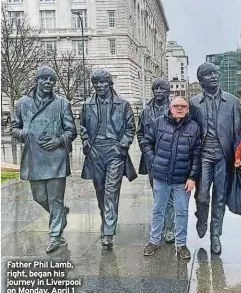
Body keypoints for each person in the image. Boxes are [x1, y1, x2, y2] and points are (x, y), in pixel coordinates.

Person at [11, 66, 77, 253]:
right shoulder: (22, 103)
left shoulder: (62, 103)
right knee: (39, 196)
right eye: (44, 79)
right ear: (37, 80)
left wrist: (59, 140)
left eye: (52, 80)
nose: (48, 82)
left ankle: (55, 235)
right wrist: (24, 134)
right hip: (34, 156)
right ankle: (61, 214)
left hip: (56, 157)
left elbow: (71, 131)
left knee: (55, 198)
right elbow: (14, 127)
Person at [80, 69, 137, 249]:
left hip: (115, 152)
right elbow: (82, 127)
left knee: (111, 190)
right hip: (95, 152)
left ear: (110, 83)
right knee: (100, 191)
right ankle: (106, 221)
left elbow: (130, 128)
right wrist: (87, 144)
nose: (99, 86)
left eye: (103, 82)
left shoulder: (123, 104)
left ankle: (108, 231)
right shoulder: (87, 105)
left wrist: (122, 146)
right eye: (96, 83)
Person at [189, 62, 241, 254]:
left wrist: (239, 158)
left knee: (219, 197)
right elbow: (191, 131)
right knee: (203, 196)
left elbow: (238, 134)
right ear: (201, 80)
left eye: (215, 73)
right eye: (208, 74)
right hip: (203, 155)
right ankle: (201, 217)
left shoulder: (232, 101)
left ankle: (215, 235)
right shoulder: (194, 103)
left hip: (224, 156)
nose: (214, 76)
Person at [141, 96, 201, 259]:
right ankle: (153, 240)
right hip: (161, 176)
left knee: (181, 211)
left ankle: (181, 244)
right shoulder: (159, 122)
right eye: (176, 106)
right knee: (158, 210)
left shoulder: (194, 127)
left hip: (182, 179)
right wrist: (153, 161)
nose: (179, 108)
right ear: (170, 107)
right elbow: (146, 142)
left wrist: (192, 177)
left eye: (183, 106)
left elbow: (197, 154)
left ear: (187, 109)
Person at [137, 77, 175, 243]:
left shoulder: (175, 109)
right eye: (156, 89)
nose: (158, 92)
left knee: (171, 196)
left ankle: (169, 228)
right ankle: (160, 227)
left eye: (162, 89)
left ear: (168, 91)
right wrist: (147, 152)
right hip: (152, 159)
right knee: (158, 195)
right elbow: (140, 133)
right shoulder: (145, 111)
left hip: (172, 159)